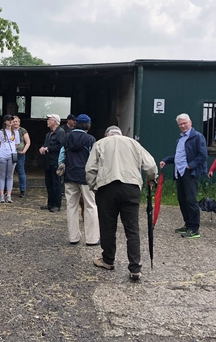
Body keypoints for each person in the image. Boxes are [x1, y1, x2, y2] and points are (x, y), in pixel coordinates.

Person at [86, 125, 157, 281]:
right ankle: (135, 268)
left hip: (107, 188)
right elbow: (151, 165)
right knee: (132, 228)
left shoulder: (100, 144)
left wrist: (94, 187)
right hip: (130, 188)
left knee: (107, 226)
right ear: (120, 134)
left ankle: (108, 260)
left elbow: (90, 169)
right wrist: (151, 178)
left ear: (107, 135)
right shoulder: (134, 143)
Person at [160, 113, 208, 239]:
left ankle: (194, 229)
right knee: (182, 200)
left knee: (191, 201)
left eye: (185, 123)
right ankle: (187, 224)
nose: (183, 126)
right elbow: (178, 157)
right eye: (180, 124)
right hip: (179, 173)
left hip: (189, 173)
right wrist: (166, 160)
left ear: (190, 122)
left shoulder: (197, 137)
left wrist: (190, 166)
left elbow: (203, 155)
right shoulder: (180, 139)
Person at [58, 114, 99, 246]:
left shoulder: (67, 137)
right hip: (86, 177)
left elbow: (61, 157)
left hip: (70, 175)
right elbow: (95, 159)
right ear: (88, 125)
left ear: (76, 124)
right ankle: (92, 239)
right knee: (90, 206)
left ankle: (73, 237)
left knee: (71, 206)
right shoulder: (90, 139)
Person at [39, 114, 67, 212]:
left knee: (56, 183)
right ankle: (50, 204)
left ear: (55, 121)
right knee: (49, 183)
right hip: (48, 161)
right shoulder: (49, 134)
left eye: (49, 120)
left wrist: (48, 148)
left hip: (55, 161)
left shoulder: (60, 132)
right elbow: (46, 145)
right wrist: (43, 148)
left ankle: (57, 204)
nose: (47, 121)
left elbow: (61, 146)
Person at [0, 114, 20, 203]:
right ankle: (2, 195)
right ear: (5, 122)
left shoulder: (16, 132)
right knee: (2, 175)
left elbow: (16, 144)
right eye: (8, 120)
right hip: (2, 155)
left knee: (10, 176)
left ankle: (9, 195)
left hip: (12, 155)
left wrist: (12, 150)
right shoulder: (1, 132)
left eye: (12, 120)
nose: (11, 121)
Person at [12, 116, 31, 198]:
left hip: (20, 153)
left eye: (16, 121)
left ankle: (22, 190)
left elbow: (28, 142)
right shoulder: (9, 130)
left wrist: (24, 151)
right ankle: (6, 189)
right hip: (10, 153)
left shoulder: (22, 131)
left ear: (19, 122)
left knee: (21, 171)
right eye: (13, 121)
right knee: (8, 172)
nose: (15, 123)